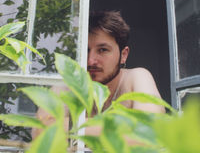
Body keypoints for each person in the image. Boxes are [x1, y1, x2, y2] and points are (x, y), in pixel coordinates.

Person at [32, 10, 165, 139]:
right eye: (86, 50)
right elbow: (40, 131)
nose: (91, 60)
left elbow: (149, 132)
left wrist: (65, 127)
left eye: (102, 50)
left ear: (123, 55)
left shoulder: (136, 77)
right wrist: (122, 127)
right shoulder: (68, 86)